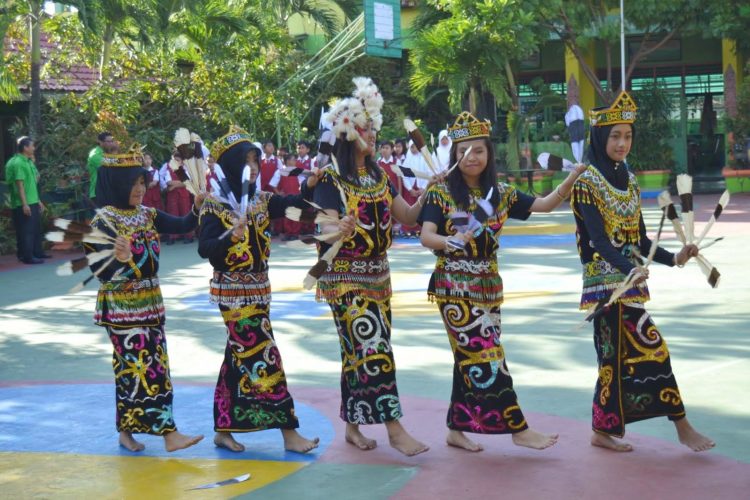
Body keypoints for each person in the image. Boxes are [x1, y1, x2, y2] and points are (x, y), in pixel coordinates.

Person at [418, 111, 585, 452]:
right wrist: (450, 242)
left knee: (470, 358)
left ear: (488, 154)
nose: (472, 157)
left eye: (478, 150)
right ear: (455, 155)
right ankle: (518, 428)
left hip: (490, 288)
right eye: (464, 151)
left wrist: (571, 179)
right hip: (454, 287)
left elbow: (545, 204)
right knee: (487, 355)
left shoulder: (502, 193)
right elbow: (426, 235)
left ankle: (456, 427)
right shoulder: (440, 194)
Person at [570, 91, 715, 453]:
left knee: (618, 360)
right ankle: (680, 427)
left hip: (629, 284)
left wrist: (675, 258)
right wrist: (628, 270)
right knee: (647, 350)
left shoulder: (631, 181)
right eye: (615, 136)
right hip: (606, 288)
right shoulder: (587, 182)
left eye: (628, 136)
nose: (622, 143)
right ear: (601, 137)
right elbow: (599, 242)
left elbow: (641, 240)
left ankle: (603, 431)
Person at [314, 77, 432, 457]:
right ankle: (395, 428)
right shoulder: (330, 179)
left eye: (373, 128)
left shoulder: (381, 176)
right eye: (365, 129)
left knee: (358, 352)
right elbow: (323, 230)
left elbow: (409, 216)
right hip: (345, 278)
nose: (373, 135)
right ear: (349, 133)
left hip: (379, 277)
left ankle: (352, 424)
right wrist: (339, 228)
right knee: (373, 347)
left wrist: (430, 194)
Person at [197, 127, 321, 453]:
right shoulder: (216, 205)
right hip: (234, 298)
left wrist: (308, 186)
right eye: (247, 161)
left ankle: (223, 428)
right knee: (267, 358)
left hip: (260, 293)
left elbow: (294, 206)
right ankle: (289, 433)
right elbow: (205, 249)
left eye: (255, 160)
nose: (253, 167)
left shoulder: (262, 200)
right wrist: (230, 238)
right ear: (232, 166)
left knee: (236, 360)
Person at [83, 142, 204, 453]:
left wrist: (196, 208)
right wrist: (117, 259)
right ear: (118, 184)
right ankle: (168, 433)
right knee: (140, 370)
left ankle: (128, 431)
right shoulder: (104, 221)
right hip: (122, 310)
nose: (139, 189)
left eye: (141, 182)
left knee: (149, 368)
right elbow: (99, 270)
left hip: (150, 305)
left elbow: (182, 225)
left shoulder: (146, 214)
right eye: (133, 183)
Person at [5, 136, 49, 264]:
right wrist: (25, 204)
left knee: (34, 229)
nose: (34, 148)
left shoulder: (27, 161)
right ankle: (28, 257)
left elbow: (35, 181)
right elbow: (20, 185)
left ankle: (35, 253)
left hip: (32, 200)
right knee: (26, 231)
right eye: (32, 146)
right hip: (24, 202)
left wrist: (38, 200)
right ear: (25, 148)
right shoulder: (18, 163)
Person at [160, 152, 194, 244]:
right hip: (172, 196)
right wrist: (179, 183)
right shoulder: (168, 169)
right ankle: (173, 236)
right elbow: (168, 182)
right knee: (172, 214)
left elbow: (187, 182)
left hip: (184, 195)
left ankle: (188, 235)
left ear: (182, 162)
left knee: (185, 213)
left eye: (178, 160)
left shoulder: (186, 169)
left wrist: (175, 186)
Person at [87, 131, 114, 205]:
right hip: (99, 193)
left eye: (112, 141)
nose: (111, 144)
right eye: (108, 141)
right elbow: (112, 165)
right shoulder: (95, 154)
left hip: (108, 192)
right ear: (100, 142)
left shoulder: (108, 154)